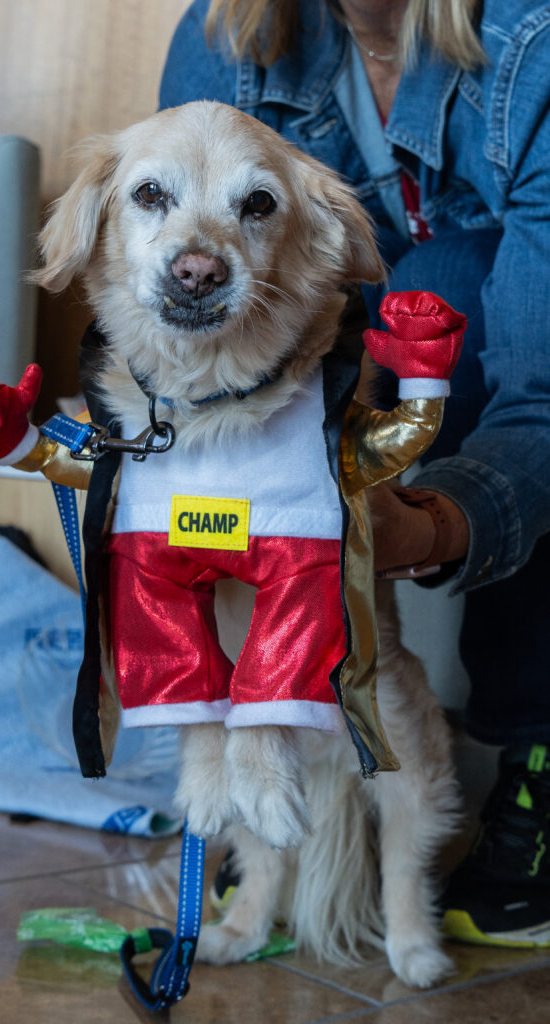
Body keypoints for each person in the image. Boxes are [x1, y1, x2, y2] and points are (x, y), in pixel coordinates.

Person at [159, 0, 550, 948]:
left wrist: (434, 523)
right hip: (326, 336)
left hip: (489, 330)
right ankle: (262, 763)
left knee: (444, 287)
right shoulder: (221, 35)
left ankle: (534, 745)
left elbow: (540, 390)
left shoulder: (529, 43)